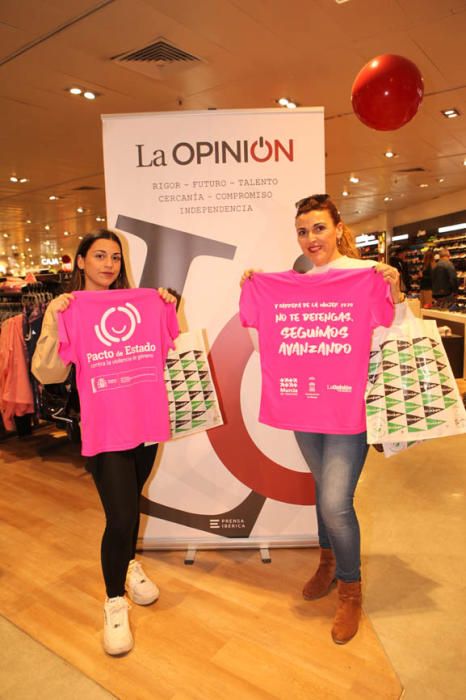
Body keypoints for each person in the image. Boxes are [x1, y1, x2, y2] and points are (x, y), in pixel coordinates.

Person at [240, 194, 405, 645]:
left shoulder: (364, 275)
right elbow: (265, 344)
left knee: (335, 501)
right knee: (322, 492)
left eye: (318, 228)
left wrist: (394, 291)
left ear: (337, 227)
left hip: (348, 408)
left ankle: (350, 590)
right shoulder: (291, 282)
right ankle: (327, 564)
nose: (311, 239)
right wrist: (253, 288)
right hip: (304, 407)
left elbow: (392, 332)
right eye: (302, 231)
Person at [32, 230, 177, 656]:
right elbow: (49, 373)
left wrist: (168, 305)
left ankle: (128, 562)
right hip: (104, 426)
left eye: (115, 256)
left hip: (145, 421)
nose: (109, 264)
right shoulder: (67, 309)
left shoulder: (141, 302)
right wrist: (57, 321)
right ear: (80, 262)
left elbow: (166, 348)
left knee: (131, 500)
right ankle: (114, 600)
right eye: (99, 256)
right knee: (121, 515)